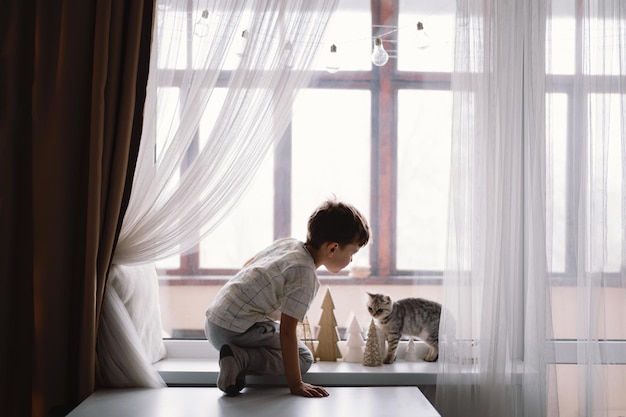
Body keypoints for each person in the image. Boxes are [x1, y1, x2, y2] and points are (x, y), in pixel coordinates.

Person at [204, 199, 370, 398]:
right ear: (332, 248)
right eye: (352, 252)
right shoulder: (305, 275)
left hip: (213, 322)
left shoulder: (288, 244)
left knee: (270, 330)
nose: (351, 260)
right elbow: (287, 332)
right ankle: (241, 359)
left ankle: (235, 359)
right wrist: (296, 384)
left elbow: (249, 264)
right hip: (234, 331)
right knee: (304, 357)